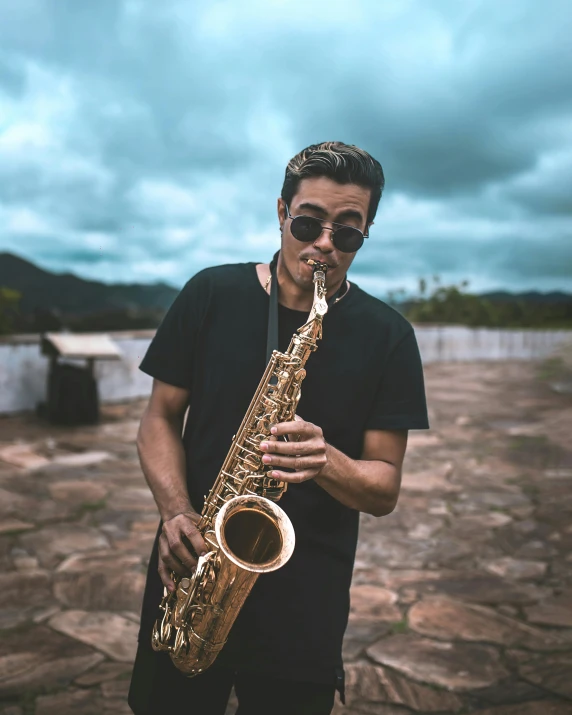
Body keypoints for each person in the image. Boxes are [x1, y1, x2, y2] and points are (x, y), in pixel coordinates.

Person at [128, 141, 429, 715]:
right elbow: (159, 418)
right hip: (191, 564)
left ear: (365, 234)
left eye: (348, 233)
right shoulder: (210, 293)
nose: (324, 246)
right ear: (281, 213)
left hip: (306, 595)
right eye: (308, 223)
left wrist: (327, 461)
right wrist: (174, 512)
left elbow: (384, 488)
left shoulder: (388, 336)